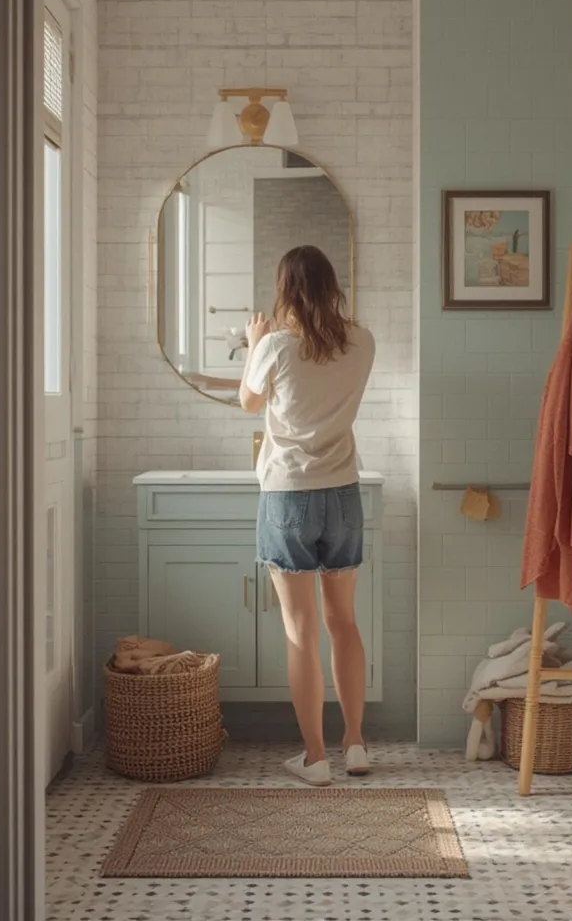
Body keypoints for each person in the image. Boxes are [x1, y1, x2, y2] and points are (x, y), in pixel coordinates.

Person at [239, 245, 375, 786]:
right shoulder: (362, 341)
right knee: (344, 623)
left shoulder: (274, 345)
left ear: (286, 290)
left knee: (300, 632)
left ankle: (315, 757)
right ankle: (357, 744)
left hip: (289, 495)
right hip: (342, 494)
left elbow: (251, 404)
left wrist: (254, 345)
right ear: (331, 285)